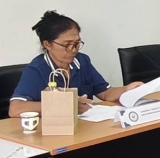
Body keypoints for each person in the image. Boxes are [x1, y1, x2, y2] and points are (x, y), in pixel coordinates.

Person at [9, 11, 143, 117]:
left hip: (85, 127)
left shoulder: (82, 61)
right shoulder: (37, 69)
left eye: (77, 43)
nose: (73, 50)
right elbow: (15, 109)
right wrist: (67, 106)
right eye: (67, 44)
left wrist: (127, 89)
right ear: (47, 44)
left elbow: (106, 93)